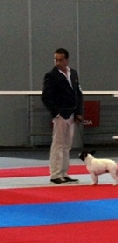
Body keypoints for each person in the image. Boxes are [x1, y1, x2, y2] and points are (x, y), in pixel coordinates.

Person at [41, 48, 84, 184]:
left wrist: (79, 112)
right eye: (56, 60)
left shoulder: (73, 73)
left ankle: (64, 172)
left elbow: (78, 94)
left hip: (72, 113)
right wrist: (56, 112)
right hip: (61, 114)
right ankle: (55, 174)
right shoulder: (51, 75)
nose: (58, 62)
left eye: (60, 60)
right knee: (58, 145)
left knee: (67, 145)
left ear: (67, 60)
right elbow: (46, 97)